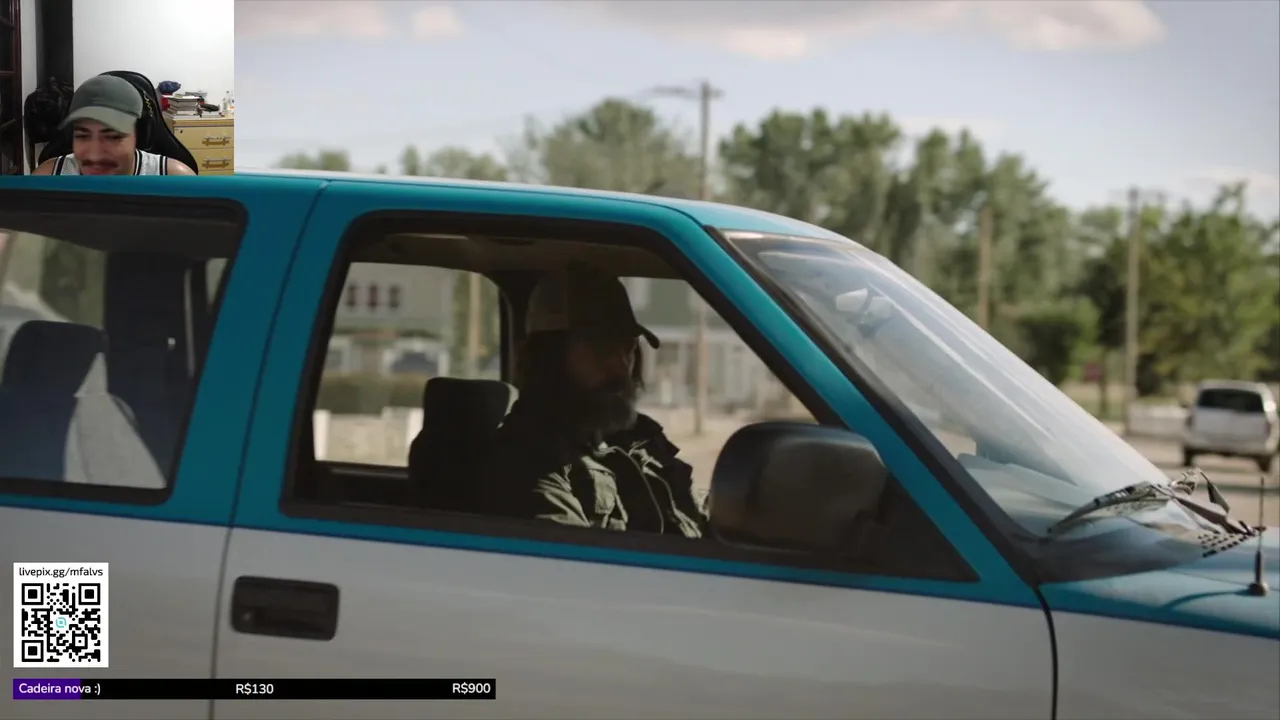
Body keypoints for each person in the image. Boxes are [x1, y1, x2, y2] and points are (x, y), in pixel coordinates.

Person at [477, 261, 709, 538]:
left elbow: (696, 516)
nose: (621, 363)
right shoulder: (526, 461)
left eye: (628, 346)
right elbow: (568, 558)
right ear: (547, 357)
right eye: (602, 347)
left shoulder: (639, 436)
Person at [32, 76, 195, 176]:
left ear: (139, 135)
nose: (94, 155)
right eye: (82, 136)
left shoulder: (175, 180)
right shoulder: (48, 178)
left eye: (113, 137)